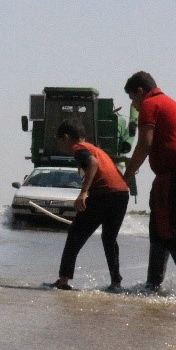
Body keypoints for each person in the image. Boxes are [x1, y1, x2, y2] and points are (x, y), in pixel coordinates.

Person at [123, 71, 176, 299]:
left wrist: (127, 175)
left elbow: (144, 145)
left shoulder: (150, 104)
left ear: (140, 91)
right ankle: (153, 284)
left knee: (165, 229)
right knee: (158, 226)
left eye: (133, 99)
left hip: (175, 171)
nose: (134, 104)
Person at [51, 120, 130, 291]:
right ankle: (116, 282)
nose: (60, 145)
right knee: (109, 239)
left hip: (104, 194)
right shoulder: (97, 149)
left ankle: (63, 281)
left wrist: (83, 192)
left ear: (66, 138)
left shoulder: (78, 148)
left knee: (75, 235)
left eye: (59, 141)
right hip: (122, 194)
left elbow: (92, 163)